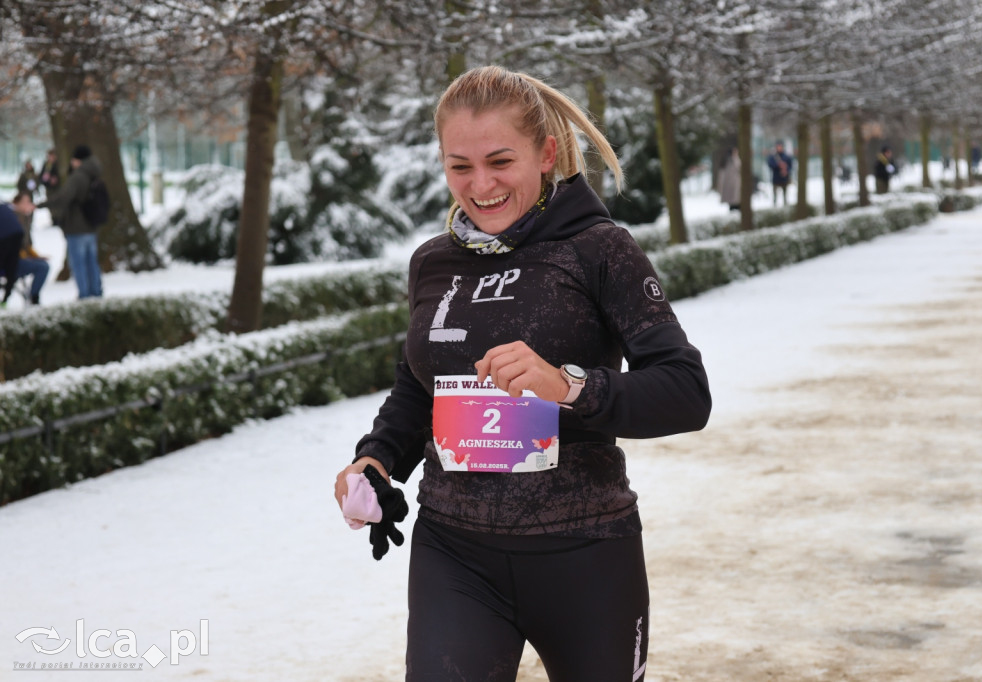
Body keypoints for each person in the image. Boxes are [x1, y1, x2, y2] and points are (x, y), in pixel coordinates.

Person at [333, 65, 712, 681]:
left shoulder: (599, 249)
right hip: (453, 552)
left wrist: (569, 387)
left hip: (585, 551)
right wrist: (375, 461)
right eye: (460, 166)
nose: (480, 185)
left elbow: (686, 393)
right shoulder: (432, 262)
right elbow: (416, 387)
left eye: (500, 161)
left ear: (547, 153)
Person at [36, 144, 103, 299]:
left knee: (79, 264)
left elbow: (63, 198)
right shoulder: (94, 173)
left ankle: (85, 295)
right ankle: (96, 292)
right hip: (91, 225)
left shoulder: (78, 176)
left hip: (77, 226)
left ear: (78, 160)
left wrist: (40, 205)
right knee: (92, 262)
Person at [0, 193, 33, 308]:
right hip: (15, 234)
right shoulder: (5, 207)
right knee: (11, 267)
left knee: (9, 265)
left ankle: (5, 299)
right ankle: (5, 298)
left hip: (7, 236)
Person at [766, 140, 793, 206]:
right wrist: (778, 165)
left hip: (784, 178)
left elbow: (790, 166)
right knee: (775, 195)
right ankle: (774, 205)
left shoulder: (786, 156)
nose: (779, 148)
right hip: (776, 178)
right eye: (778, 146)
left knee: (785, 194)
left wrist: (786, 170)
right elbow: (770, 164)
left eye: (780, 146)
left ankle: (785, 204)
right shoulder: (773, 156)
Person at [717, 146, 742, 211]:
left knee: (735, 196)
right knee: (733, 197)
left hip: (734, 181)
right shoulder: (730, 160)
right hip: (731, 181)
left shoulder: (732, 159)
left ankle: (735, 206)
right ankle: (734, 207)